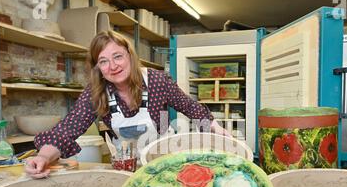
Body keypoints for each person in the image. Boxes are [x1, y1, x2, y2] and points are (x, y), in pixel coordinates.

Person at [26, 30, 229, 178]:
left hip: (165, 161)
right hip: (126, 166)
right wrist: (43, 157)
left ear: (130, 56)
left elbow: (189, 106)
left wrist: (216, 129)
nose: (113, 66)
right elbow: (69, 128)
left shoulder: (157, 81)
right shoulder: (96, 92)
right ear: (98, 67)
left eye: (117, 57)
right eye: (103, 61)